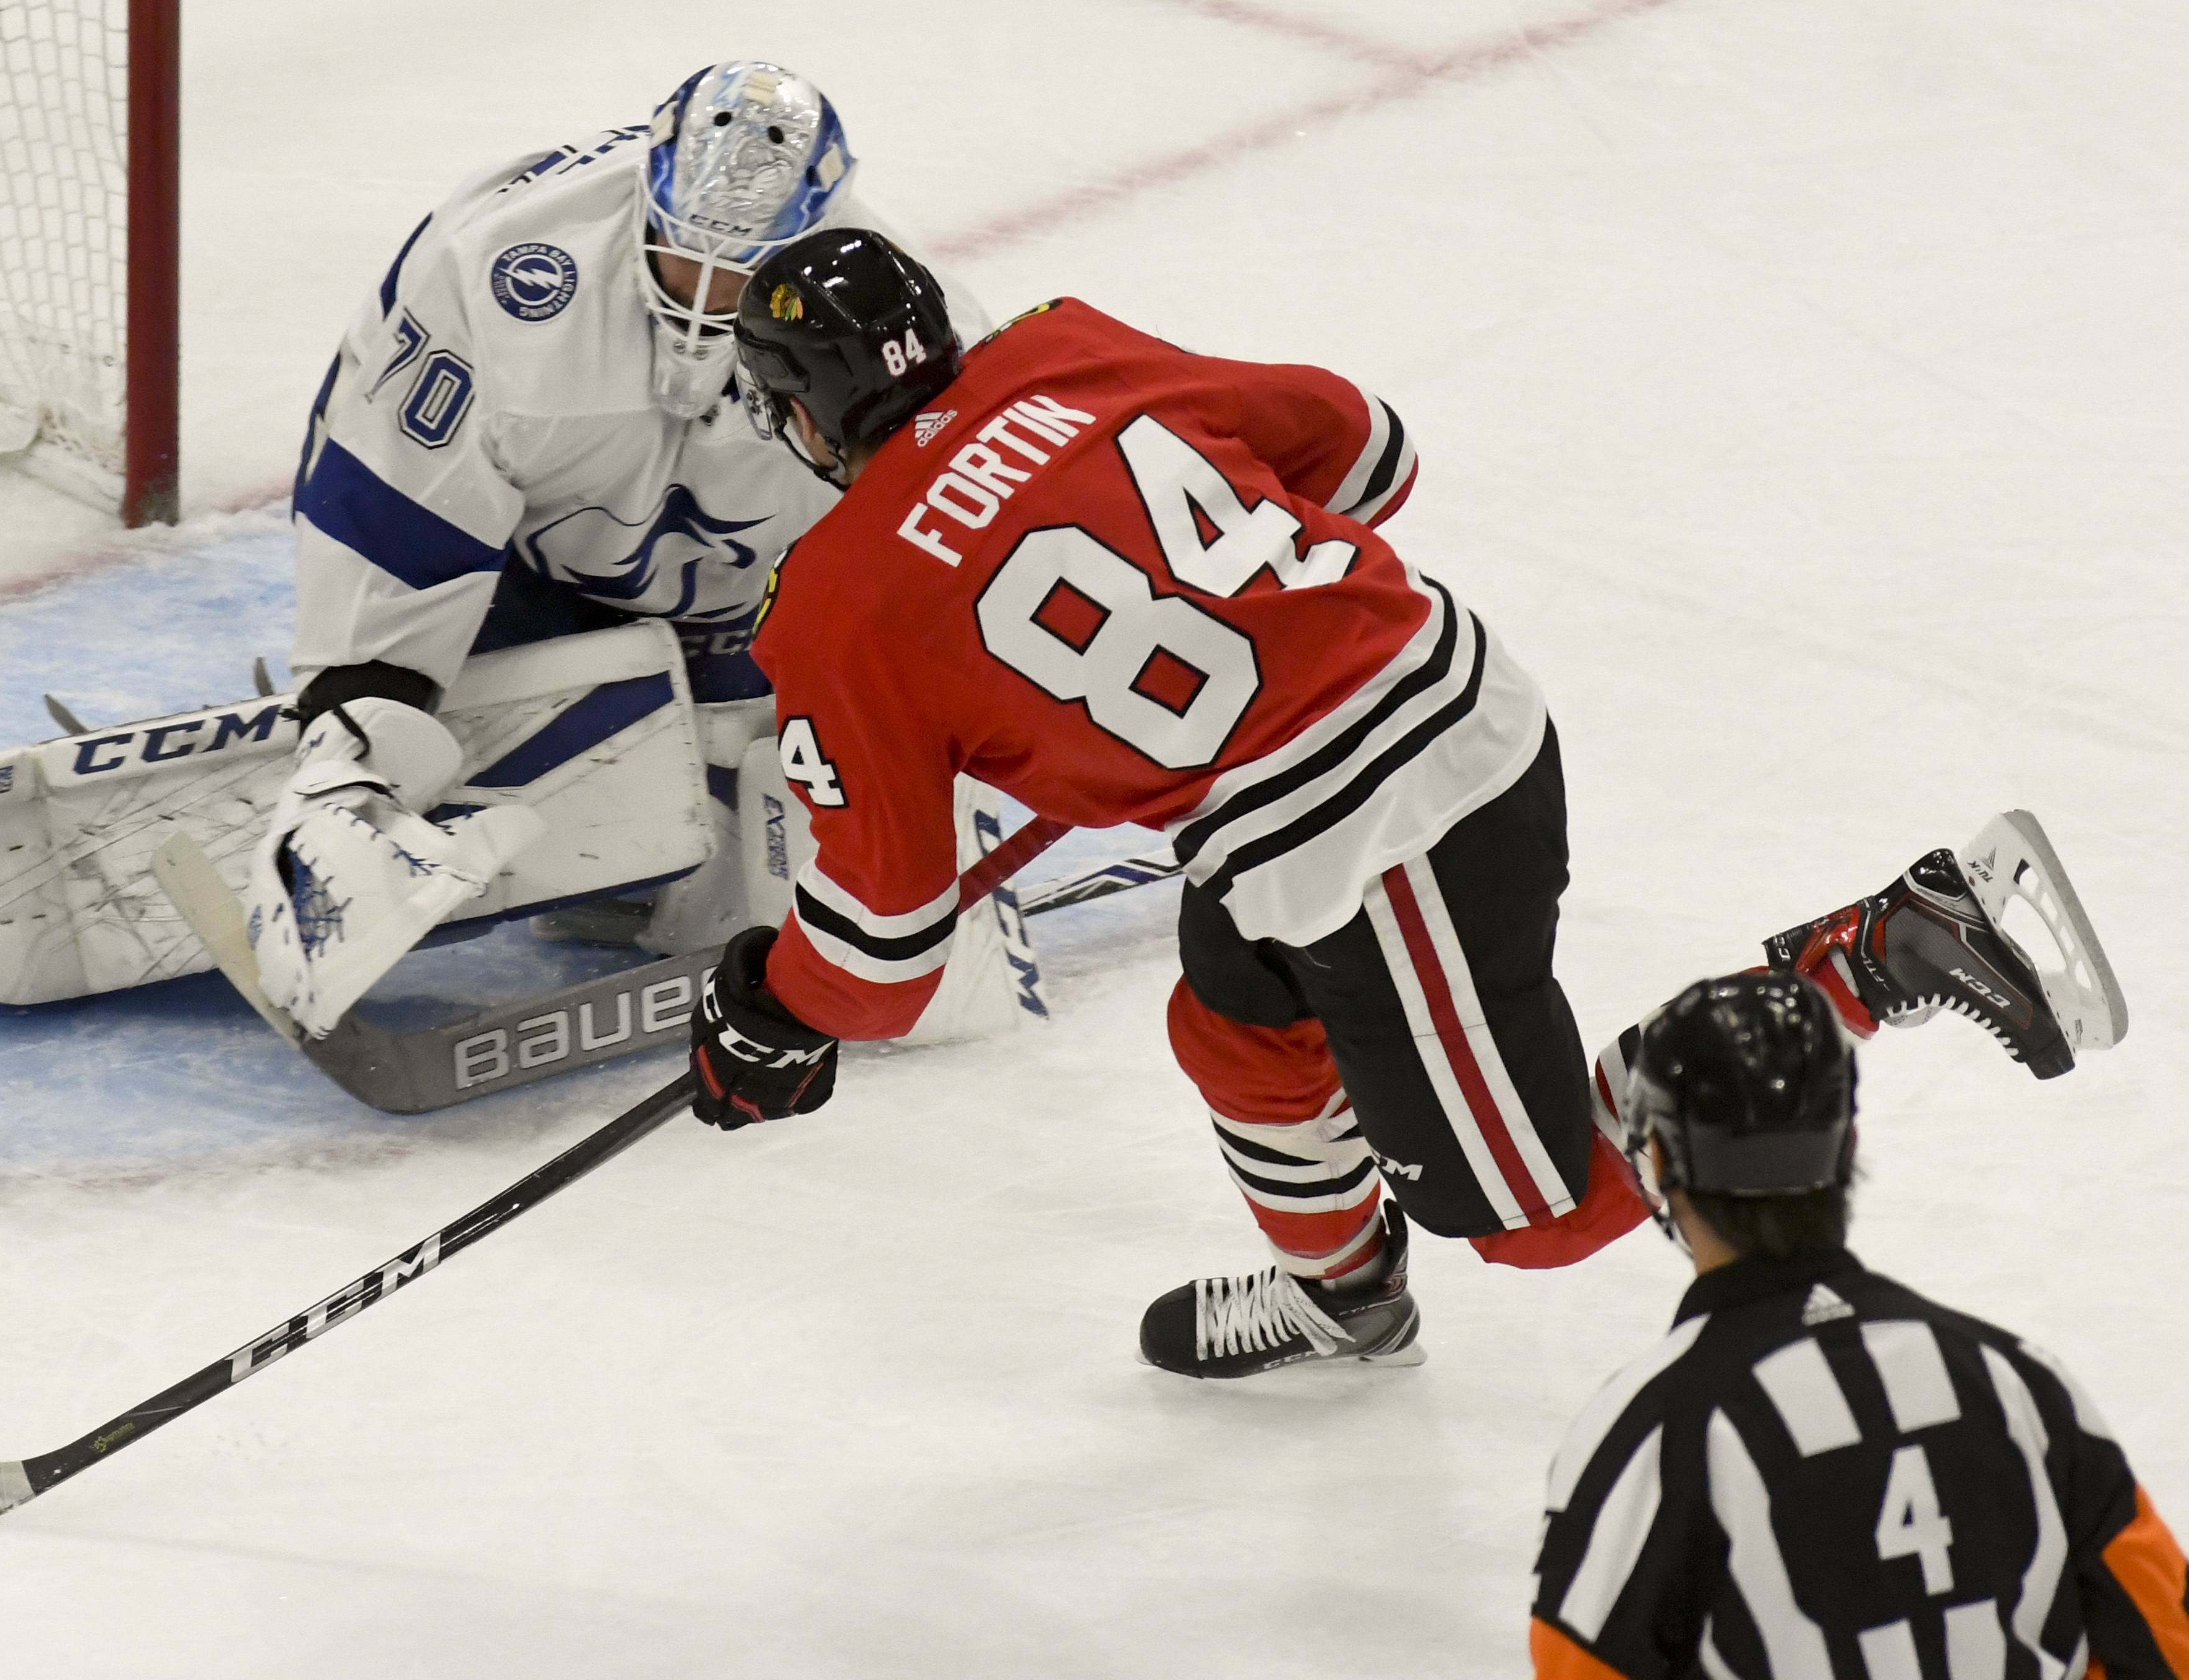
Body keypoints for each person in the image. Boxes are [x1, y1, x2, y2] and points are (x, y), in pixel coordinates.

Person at [685, 226, 2118, 1381]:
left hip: (1380, 838)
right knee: (1235, 1022)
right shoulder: (1058, 348)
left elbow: (874, 962)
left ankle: (1880, 947)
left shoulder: (836, 608)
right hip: (1423, 716)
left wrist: (767, 1005)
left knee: (1537, 1216)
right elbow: (1368, 449)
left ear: (798, 411)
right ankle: (1344, 1301)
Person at [277, 58, 986, 959]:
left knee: (729, 876)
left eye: (737, 277)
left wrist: (934, 755)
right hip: (521, 586)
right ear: (645, 198)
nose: (700, 302)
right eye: (680, 255)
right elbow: (390, 504)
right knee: (489, 812)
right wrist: (360, 710)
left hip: (756, 621)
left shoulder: (899, 329)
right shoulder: (501, 271)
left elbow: (943, 574)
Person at [1529, 973, 2188, 1680]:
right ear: (1847, 1144)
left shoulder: (1647, 1436)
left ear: (1657, 1158)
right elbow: (2167, 1646)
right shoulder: (2020, 1385)